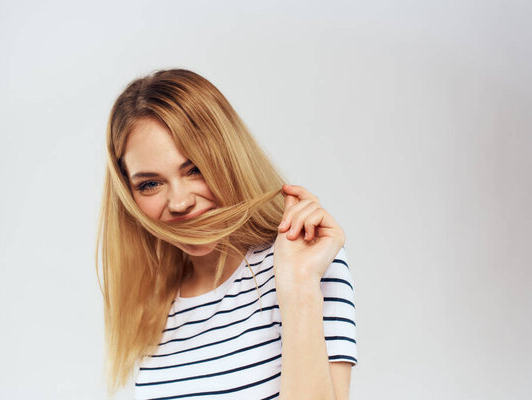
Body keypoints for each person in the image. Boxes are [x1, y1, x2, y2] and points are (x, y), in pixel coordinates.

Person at [96, 68, 358, 399]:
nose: (179, 202)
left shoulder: (306, 264)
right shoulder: (153, 305)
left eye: (195, 170)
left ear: (229, 158)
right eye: (150, 184)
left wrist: (299, 287)